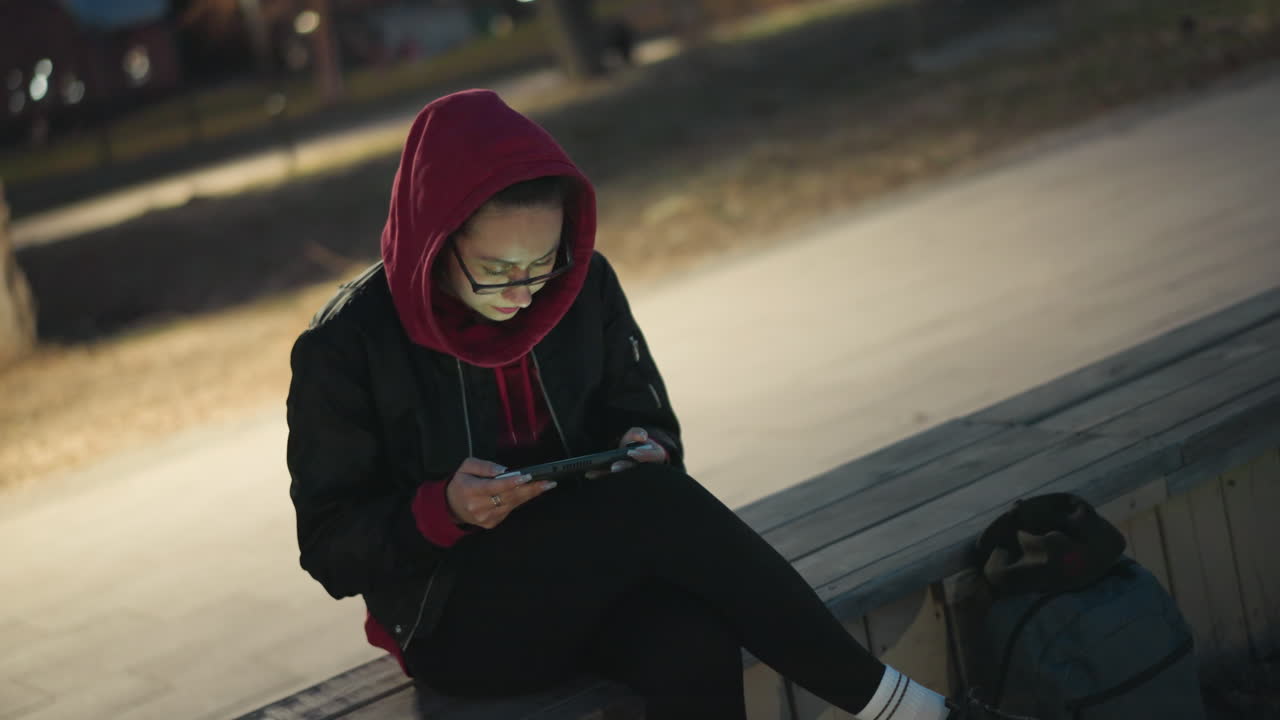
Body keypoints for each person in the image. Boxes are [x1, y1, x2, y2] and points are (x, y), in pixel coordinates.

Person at [286, 89, 1007, 720]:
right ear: (433, 241)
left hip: (594, 579)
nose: (525, 289)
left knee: (693, 639)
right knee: (656, 505)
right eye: (498, 268)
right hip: (456, 620)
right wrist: (442, 509)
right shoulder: (347, 346)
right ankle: (904, 710)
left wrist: (639, 443)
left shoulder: (583, 286)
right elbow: (328, 549)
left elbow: (649, 423)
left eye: (542, 262)